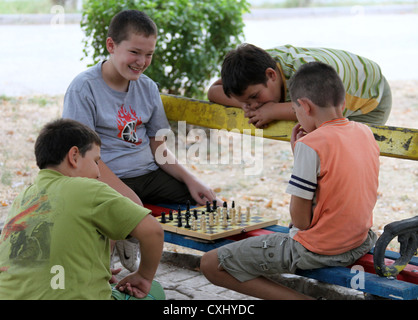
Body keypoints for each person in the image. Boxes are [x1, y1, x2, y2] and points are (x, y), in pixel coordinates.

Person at [200, 61, 380, 300]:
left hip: (320, 249)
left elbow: (300, 221)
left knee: (211, 263)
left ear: (304, 106)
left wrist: (303, 156)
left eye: (295, 111)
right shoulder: (364, 132)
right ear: (343, 101)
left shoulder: (311, 145)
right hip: (359, 241)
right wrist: (303, 158)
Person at [63, 10, 218, 271]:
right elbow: (83, 158)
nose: (142, 61)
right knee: (120, 208)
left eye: (149, 54)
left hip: (148, 174)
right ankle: (99, 269)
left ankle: (128, 236)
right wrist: (128, 198)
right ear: (111, 45)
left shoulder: (147, 87)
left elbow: (159, 149)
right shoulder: (84, 88)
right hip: (102, 177)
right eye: (135, 52)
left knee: (206, 204)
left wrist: (193, 180)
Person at [0, 119, 165, 300]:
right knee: (154, 291)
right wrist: (144, 276)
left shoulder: (22, 198)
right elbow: (153, 231)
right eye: (96, 161)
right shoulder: (89, 188)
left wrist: (94, 268)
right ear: (74, 156)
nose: (99, 173)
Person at [208, 43, 392, 128]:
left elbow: (316, 108)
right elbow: (213, 91)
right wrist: (245, 105)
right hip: (325, 98)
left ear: (271, 75)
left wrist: (271, 111)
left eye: (255, 97)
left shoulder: (303, 71)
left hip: (369, 98)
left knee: (344, 157)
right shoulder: (254, 68)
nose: (254, 105)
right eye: (247, 101)